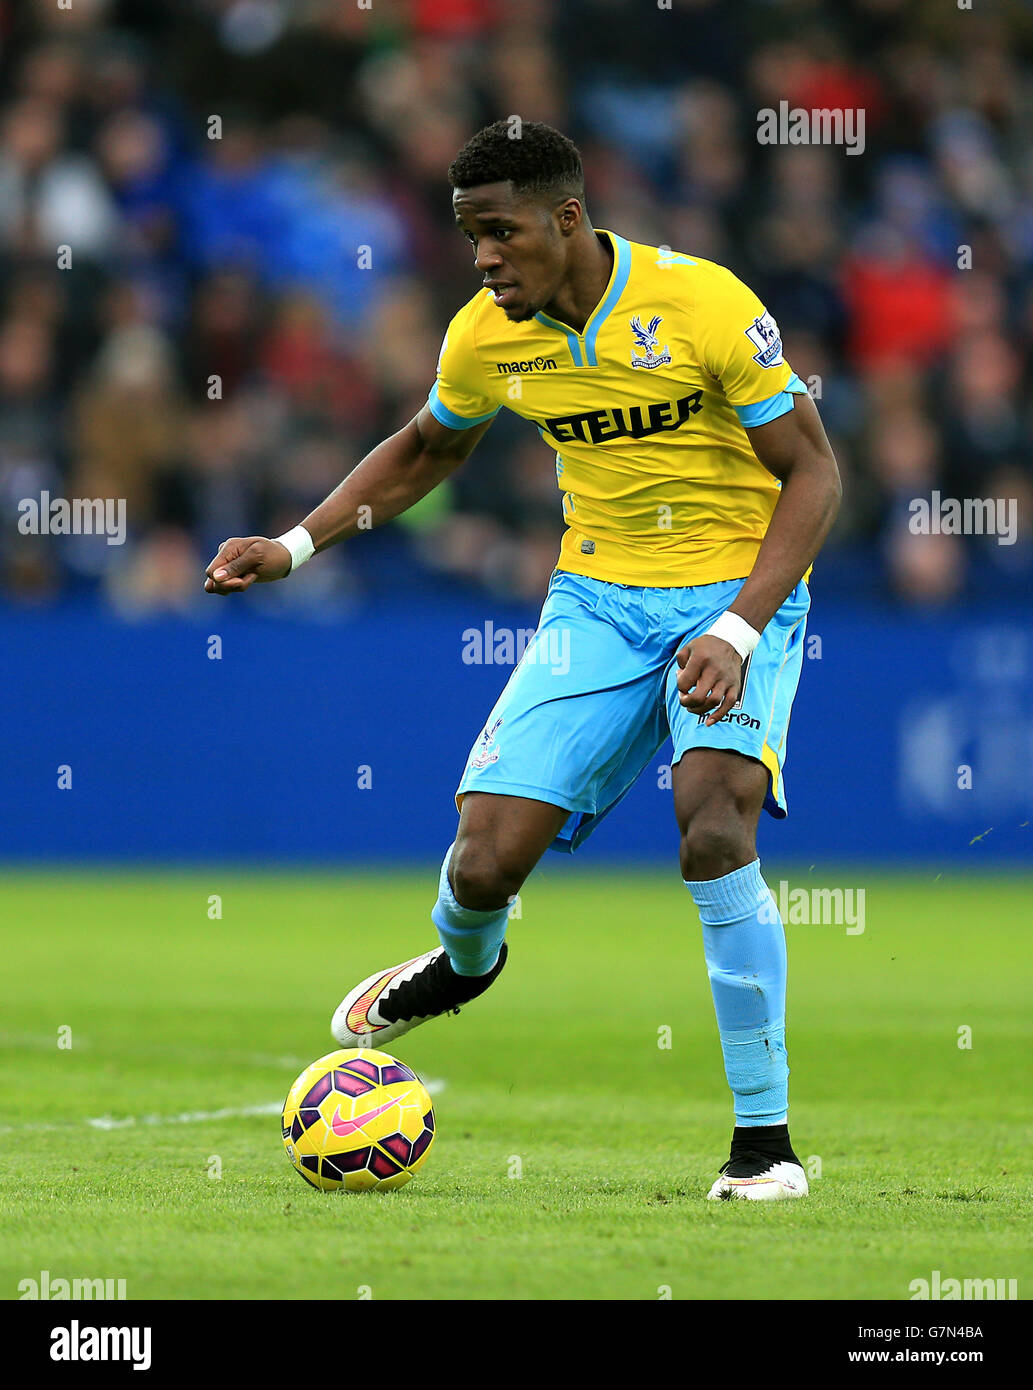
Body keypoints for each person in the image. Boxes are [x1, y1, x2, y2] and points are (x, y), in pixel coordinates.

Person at [205, 121, 841, 1201]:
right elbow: (426, 449)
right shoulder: (485, 337)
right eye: (469, 239)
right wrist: (296, 542)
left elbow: (815, 476)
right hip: (596, 603)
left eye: (500, 233)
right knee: (481, 865)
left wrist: (737, 628)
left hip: (738, 590)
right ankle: (464, 962)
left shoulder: (705, 306)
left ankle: (765, 1145)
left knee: (713, 821)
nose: (485, 258)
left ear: (567, 219)